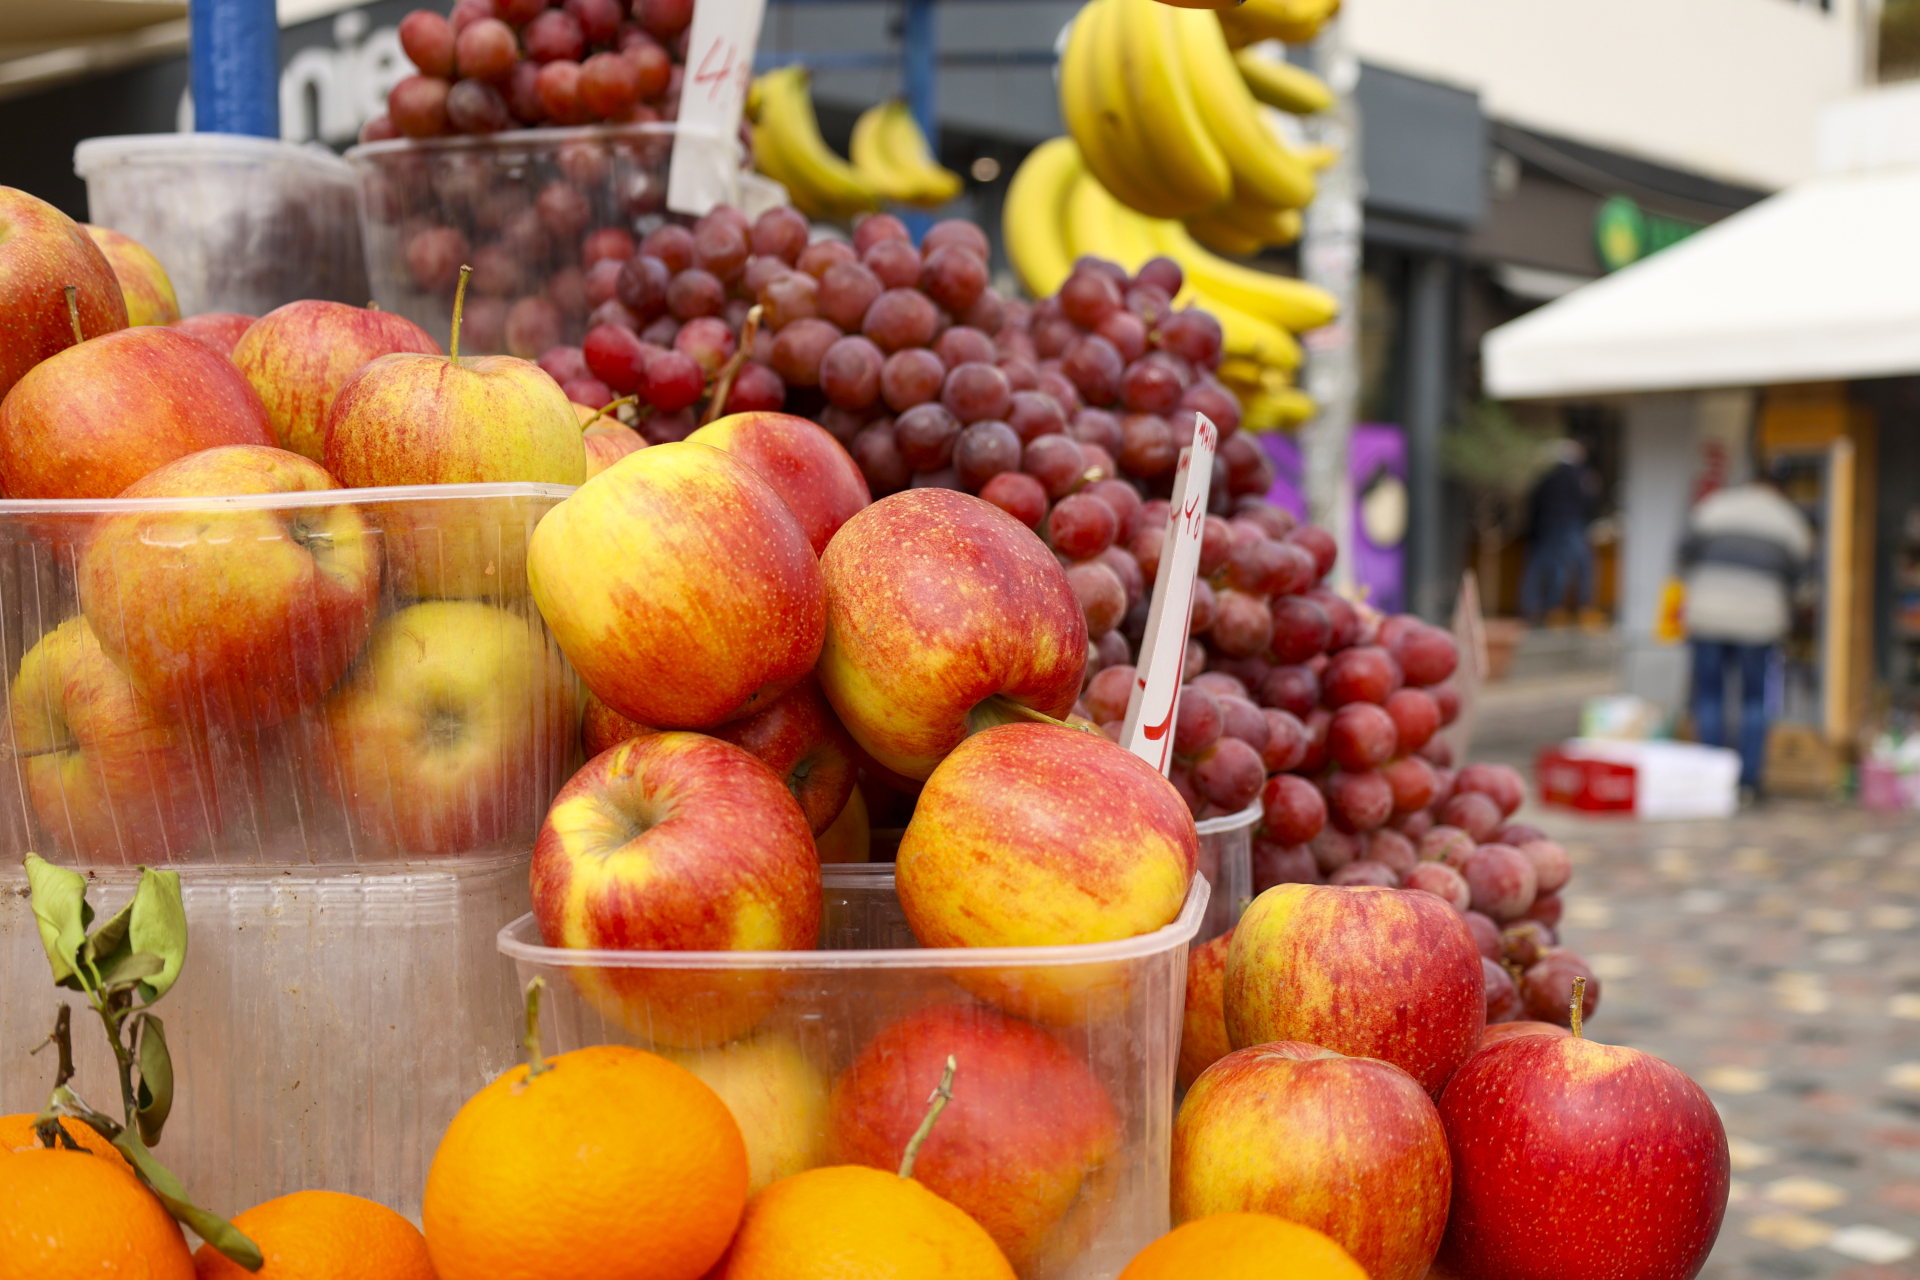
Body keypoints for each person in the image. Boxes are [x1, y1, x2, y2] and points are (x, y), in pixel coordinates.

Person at [1679, 469, 1814, 798]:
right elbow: (1805, 587)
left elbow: (1683, 557)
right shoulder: (1790, 522)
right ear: (1781, 489)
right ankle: (1748, 783)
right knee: (1755, 701)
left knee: (1709, 696)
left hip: (1707, 616)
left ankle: (1710, 782)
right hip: (1759, 622)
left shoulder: (1714, 507)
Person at [1519, 439, 1597, 626]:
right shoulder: (1579, 475)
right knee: (1579, 565)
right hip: (1570, 525)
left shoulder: (1546, 477)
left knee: (1545, 566)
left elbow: (1534, 504)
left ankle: (1536, 608)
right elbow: (1588, 500)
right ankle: (1574, 608)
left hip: (1545, 527)